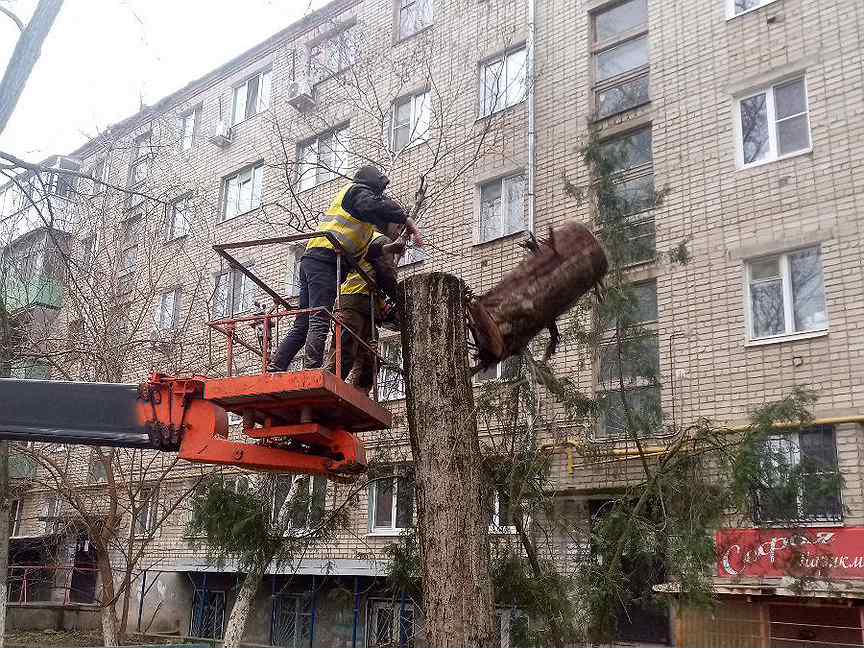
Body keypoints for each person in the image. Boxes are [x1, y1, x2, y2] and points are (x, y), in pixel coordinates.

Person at [270, 165, 422, 372]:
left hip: (314, 259)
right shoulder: (355, 193)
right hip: (325, 261)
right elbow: (371, 204)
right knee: (319, 318)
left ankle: (276, 366)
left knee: (305, 320)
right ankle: (311, 371)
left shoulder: (363, 226)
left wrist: (390, 247)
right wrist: (405, 217)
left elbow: (369, 254)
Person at [325, 224, 404, 394]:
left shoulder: (368, 238)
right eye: (397, 227)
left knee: (370, 357)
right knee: (345, 350)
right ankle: (326, 389)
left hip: (366, 305)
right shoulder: (380, 239)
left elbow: (376, 279)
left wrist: (382, 304)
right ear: (387, 223)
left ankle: (357, 394)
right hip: (354, 299)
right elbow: (386, 275)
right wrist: (401, 301)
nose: (398, 233)